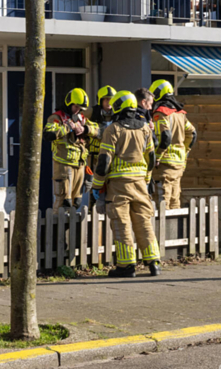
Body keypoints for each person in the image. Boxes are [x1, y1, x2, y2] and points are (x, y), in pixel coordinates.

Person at [91, 91, 161, 278]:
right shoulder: (146, 128)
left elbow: (104, 162)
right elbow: (151, 159)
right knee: (144, 221)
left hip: (119, 185)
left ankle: (126, 265)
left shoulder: (113, 129)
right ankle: (153, 262)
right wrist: (146, 180)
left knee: (121, 223)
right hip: (140, 183)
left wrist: (96, 187)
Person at [44, 88, 99, 209]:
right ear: (69, 104)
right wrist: (67, 128)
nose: (78, 110)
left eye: (80, 108)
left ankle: (72, 227)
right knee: (64, 201)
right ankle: (57, 226)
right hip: (63, 165)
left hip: (80, 164)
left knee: (77, 201)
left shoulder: (81, 118)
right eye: (76, 107)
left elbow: (98, 130)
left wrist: (84, 129)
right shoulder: (56, 117)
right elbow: (48, 134)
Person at [150, 80, 197, 209]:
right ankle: (174, 230)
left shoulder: (161, 113)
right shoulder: (180, 113)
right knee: (175, 201)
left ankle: (161, 230)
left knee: (161, 203)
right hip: (179, 164)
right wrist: (184, 151)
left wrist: (158, 156)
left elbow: (166, 136)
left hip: (164, 165)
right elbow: (192, 134)